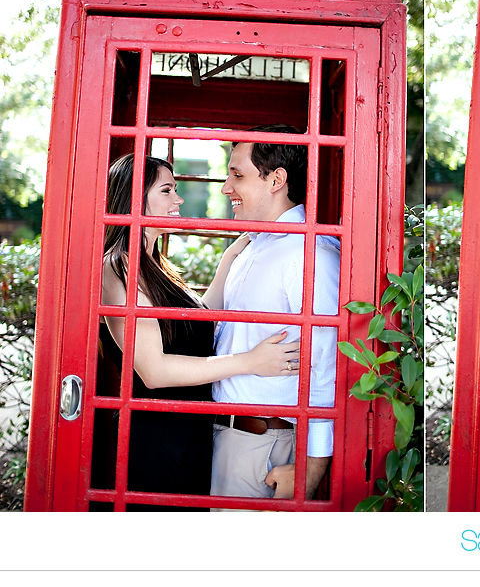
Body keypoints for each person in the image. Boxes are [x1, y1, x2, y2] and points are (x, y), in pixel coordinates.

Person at [99, 154, 300, 510]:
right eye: (167, 190)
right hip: (153, 439)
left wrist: (232, 256)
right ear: (134, 197)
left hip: (188, 433)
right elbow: (154, 370)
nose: (178, 199)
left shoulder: (153, 264)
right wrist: (249, 361)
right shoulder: (117, 268)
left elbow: (195, 321)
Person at [207, 124, 341, 503]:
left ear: (276, 179)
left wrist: (310, 468)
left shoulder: (309, 254)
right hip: (226, 437)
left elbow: (327, 363)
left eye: (237, 175)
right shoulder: (251, 246)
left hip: (265, 448)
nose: (225, 187)